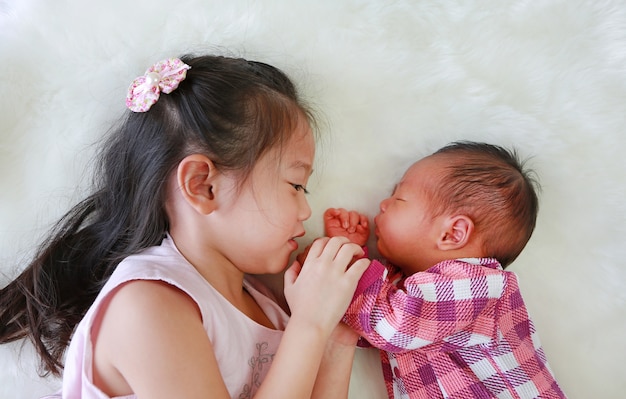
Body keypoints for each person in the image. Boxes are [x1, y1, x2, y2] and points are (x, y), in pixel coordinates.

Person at [0, 54, 370, 399]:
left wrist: (335, 331)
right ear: (203, 186)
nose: (306, 211)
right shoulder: (148, 305)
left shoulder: (265, 306)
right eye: (295, 185)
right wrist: (309, 326)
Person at [319, 141, 567, 398]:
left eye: (399, 198)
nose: (383, 204)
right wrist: (349, 252)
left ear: (452, 234)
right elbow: (365, 331)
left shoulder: (478, 286)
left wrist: (347, 267)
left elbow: (390, 328)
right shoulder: (409, 290)